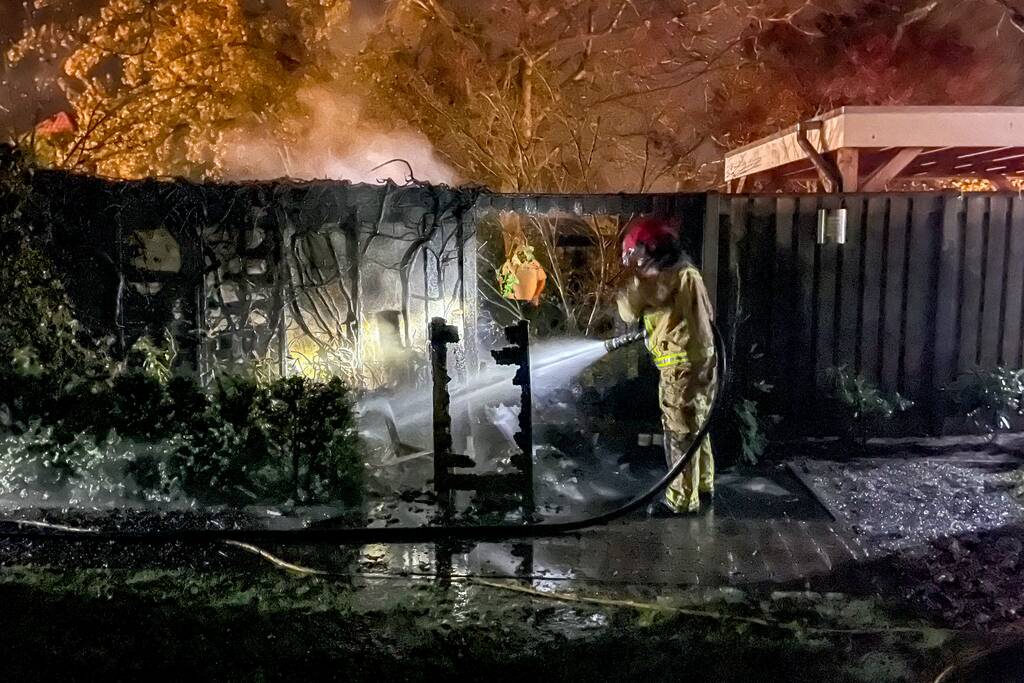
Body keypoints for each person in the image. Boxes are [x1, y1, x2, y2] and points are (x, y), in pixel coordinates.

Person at [617, 216, 716, 514]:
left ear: (649, 247)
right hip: (704, 361)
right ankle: (703, 484)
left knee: (679, 431)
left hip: (680, 367)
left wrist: (634, 283)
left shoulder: (659, 278)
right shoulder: (686, 272)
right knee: (698, 425)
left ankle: (681, 501)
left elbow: (627, 310)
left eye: (634, 253)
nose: (632, 261)